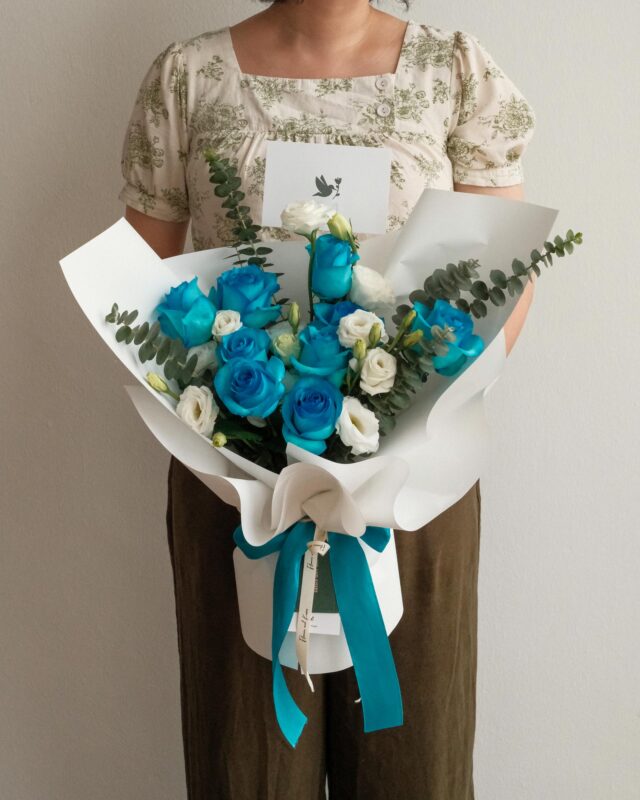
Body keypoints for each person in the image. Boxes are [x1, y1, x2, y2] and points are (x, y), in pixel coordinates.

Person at [118, 2, 536, 797]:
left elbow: (503, 279)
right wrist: (240, 445)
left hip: (414, 490)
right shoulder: (188, 77)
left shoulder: (454, 73)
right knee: (247, 767)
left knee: (417, 763)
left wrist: (417, 424)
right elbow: (141, 296)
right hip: (236, 491)